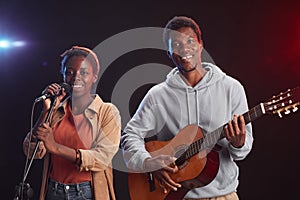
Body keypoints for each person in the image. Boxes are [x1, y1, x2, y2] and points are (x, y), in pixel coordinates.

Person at [121, 16, 253, 200]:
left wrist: (238, 143)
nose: (184, 49)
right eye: (176, 44)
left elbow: (243, 150)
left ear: (200, 44)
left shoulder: (231, 88)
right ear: (168, 53)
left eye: (190, 41)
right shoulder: (158, 94)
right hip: (175, 195)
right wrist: (148, 162)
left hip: (223, 196)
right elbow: (130, 135)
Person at [23, 46, 121, 200]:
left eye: (84, 72)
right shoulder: (56, 111)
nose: (76, 77)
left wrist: (55, 147)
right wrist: (45, 111)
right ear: (63, 76)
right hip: (54, 190)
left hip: (87, 192)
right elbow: (31, 151)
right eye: (69, 72)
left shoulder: (107, 112)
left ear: (94, 76)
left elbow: (102, 158)